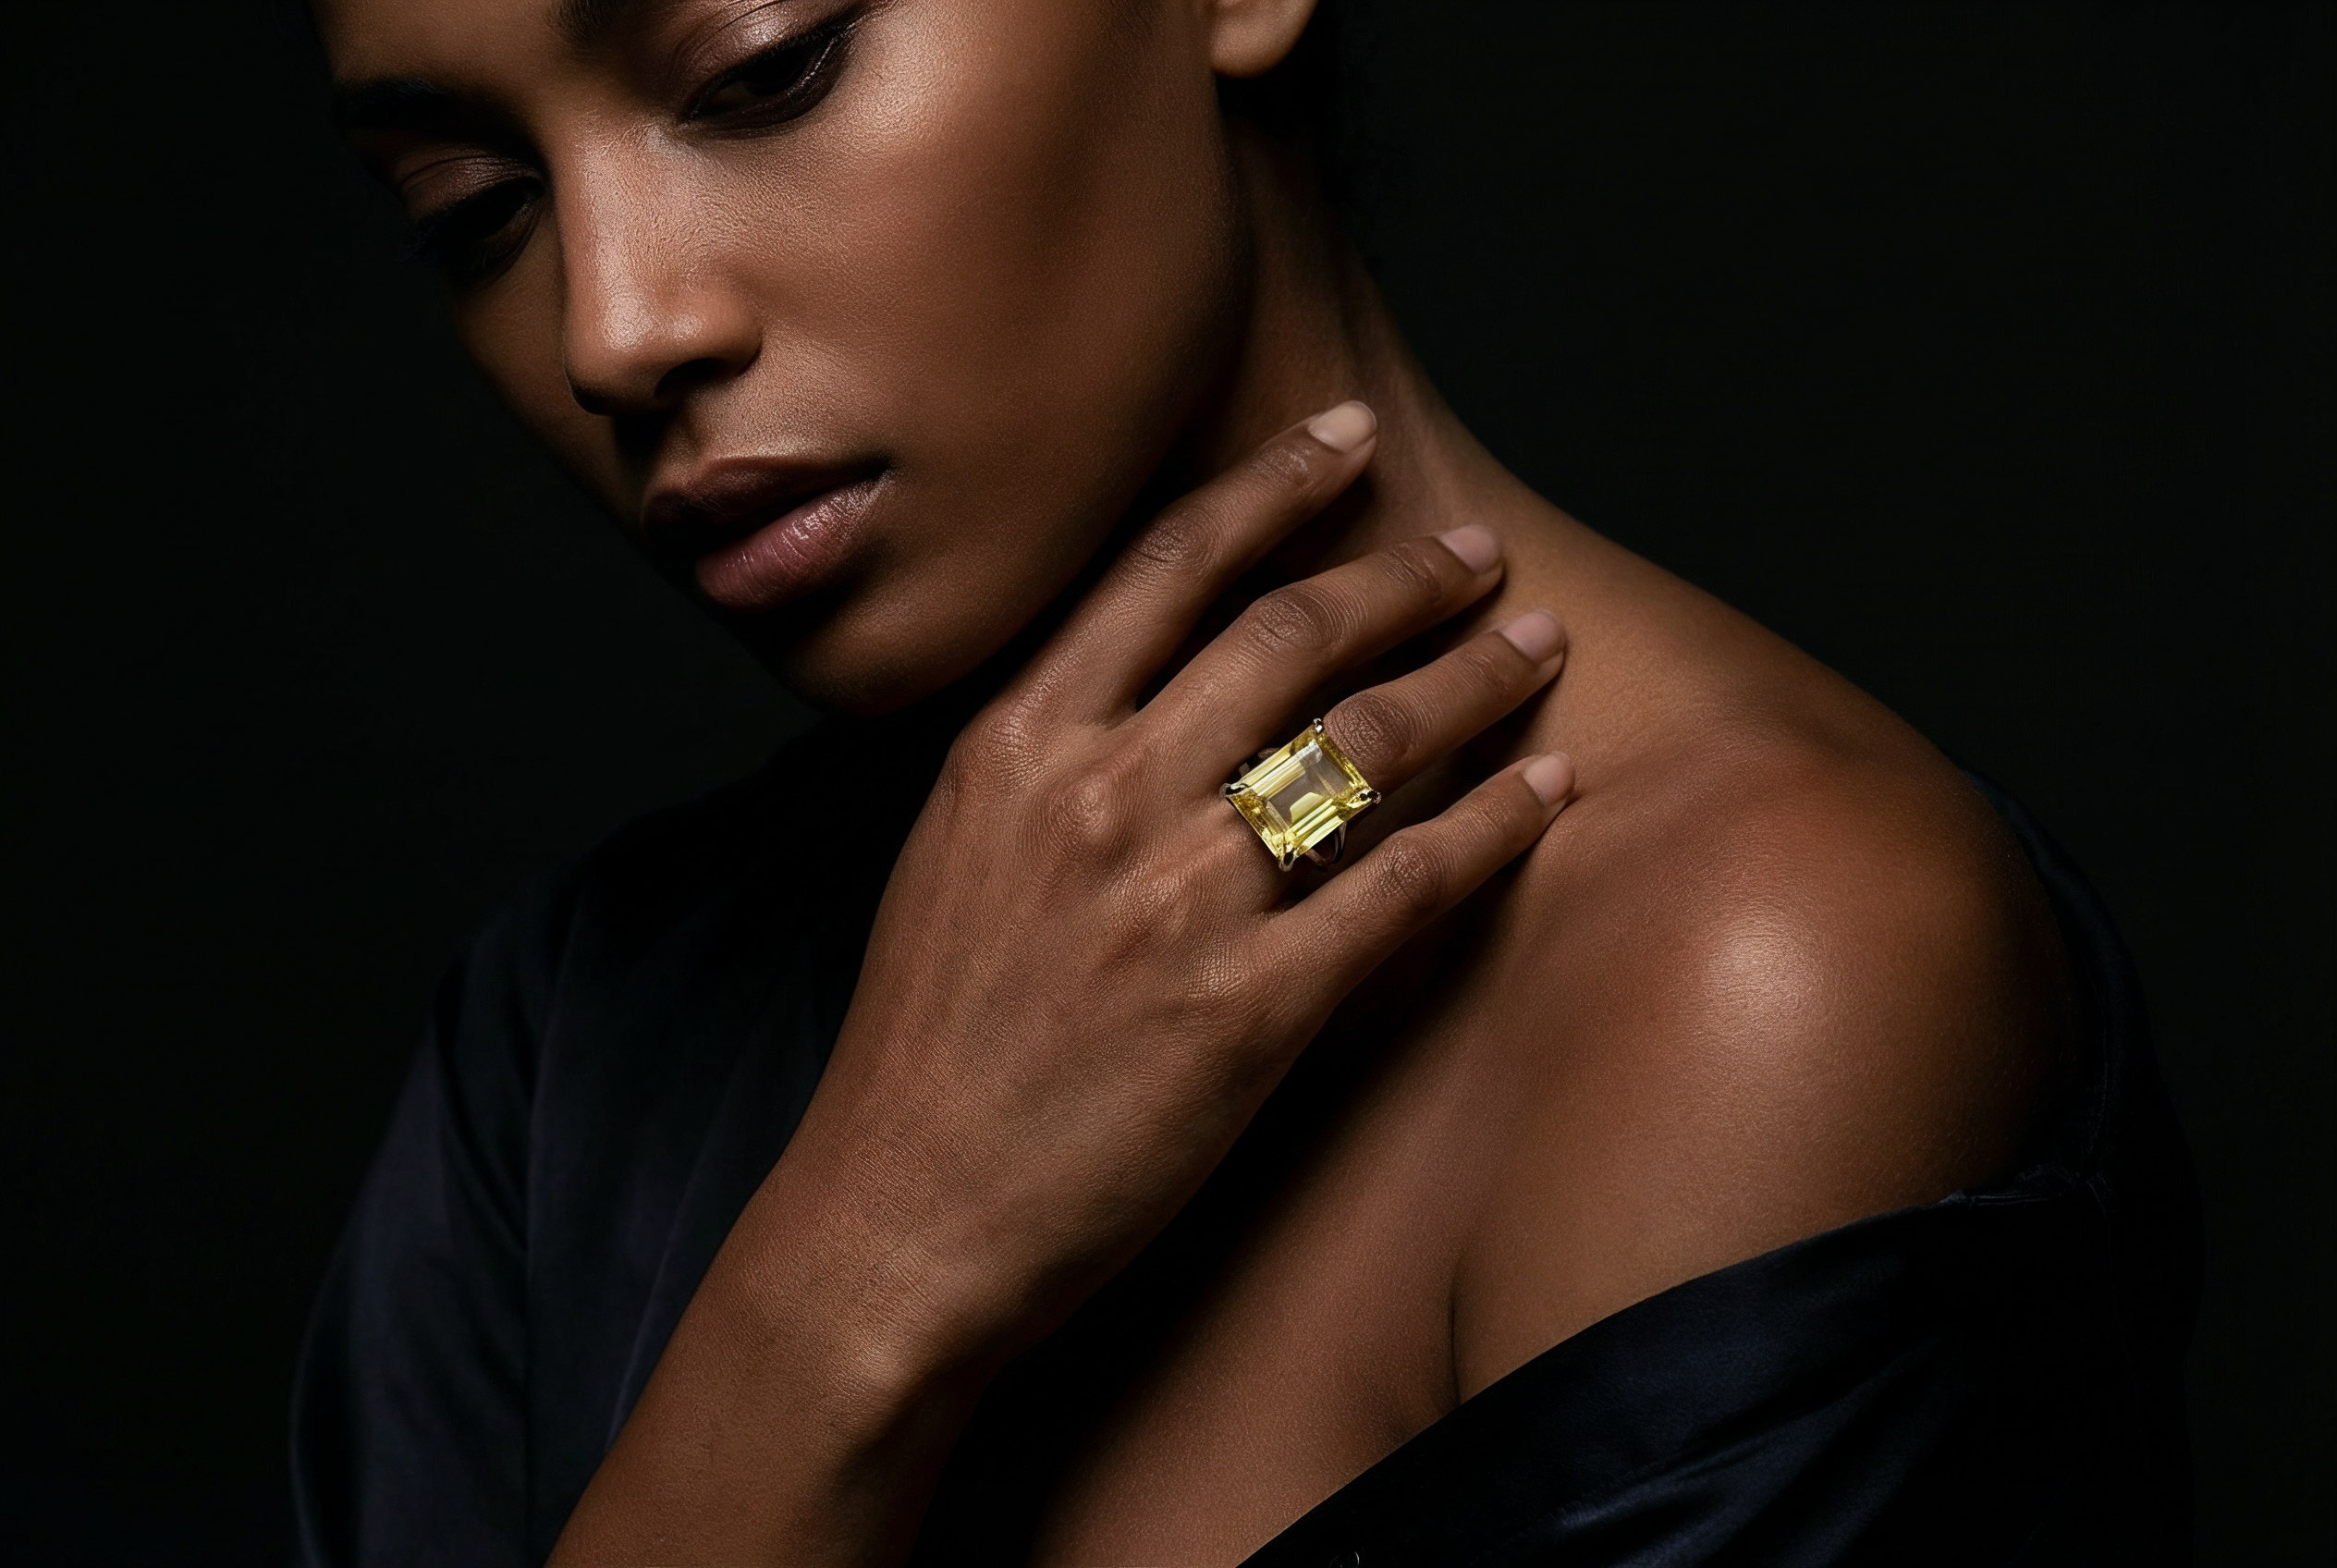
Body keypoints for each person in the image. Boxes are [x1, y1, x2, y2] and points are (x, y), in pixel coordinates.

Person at [293, 0, 2199, 1562]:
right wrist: (848, 1288)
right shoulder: (571, 1041)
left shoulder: (1762, 969)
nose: (616, 330)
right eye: (477, 210)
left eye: (761, 66)